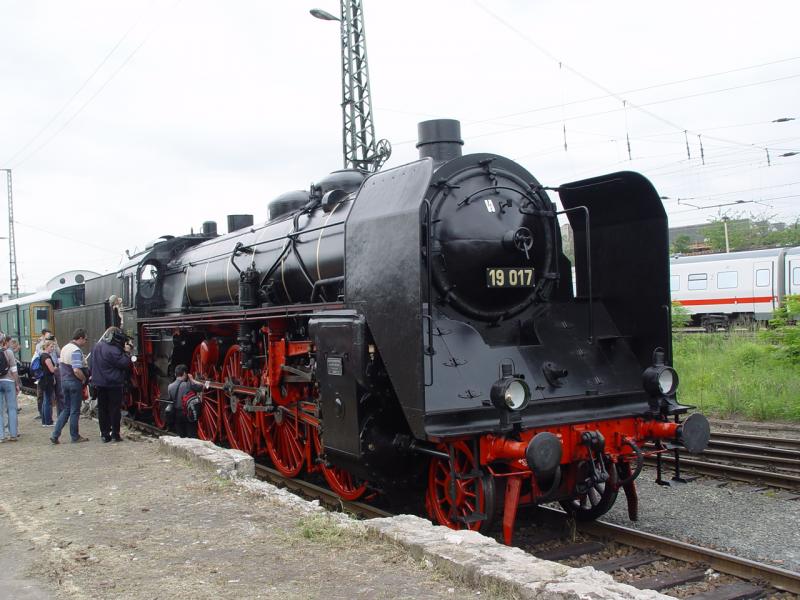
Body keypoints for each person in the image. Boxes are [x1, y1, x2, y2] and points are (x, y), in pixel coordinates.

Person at [91, 327, 132, 442]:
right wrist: (127, 352)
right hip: (113, 384)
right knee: (114, 409)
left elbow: (91, 365)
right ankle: (115, 434)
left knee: (102, 409)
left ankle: (104, 434)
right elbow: (124, 363)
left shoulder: (96, 346)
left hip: (99, 383)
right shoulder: (114, 350)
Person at [50, 328, 89, 444]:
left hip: (64, 381)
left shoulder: (65, 348)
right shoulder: (76, 350)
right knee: (75, 411)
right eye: (85, 339)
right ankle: (75, 436)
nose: (85, 342)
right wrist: (83, 379)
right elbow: (76, 369)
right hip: (74, 382)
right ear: (80, 338)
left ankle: (55, 434)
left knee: (66, 409)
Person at [167, 365, 204, 438]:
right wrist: (192, 379)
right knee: (192, 436)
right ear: (184, 373)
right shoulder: (188, 384)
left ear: (175, 374)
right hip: (188, 413)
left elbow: (170, 399)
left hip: (177, 414)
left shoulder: (170, 386)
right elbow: (202, 386)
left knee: (181, 436)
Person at [0, 334, 21, 443]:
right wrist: (17, 384)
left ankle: (1, 436)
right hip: (9, 382)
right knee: (12, 408)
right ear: (4, 341)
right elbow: (14, 370)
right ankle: (13, 434)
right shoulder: (9, 353)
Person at [39, 340, 57, 426]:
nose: (52, 348)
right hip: (47, 380)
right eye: (51, 346)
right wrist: (56, 368)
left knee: (45, 400)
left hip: (44, 380)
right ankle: (48, 421)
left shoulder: (42, 356)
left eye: (53, 346)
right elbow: (52, 370)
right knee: (48, 401)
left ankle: (44, 421)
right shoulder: (46, 357)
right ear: (46, 347)